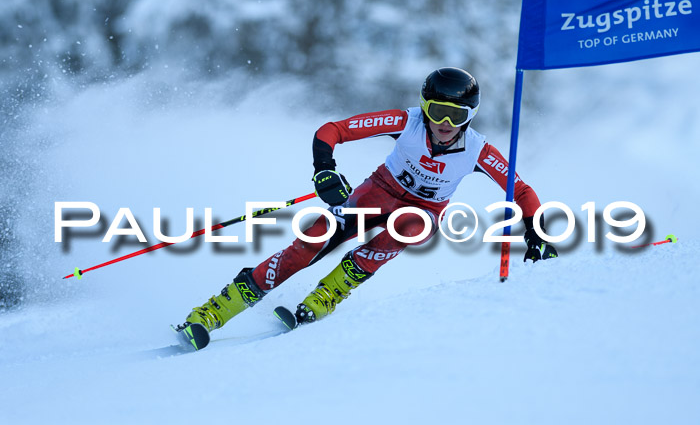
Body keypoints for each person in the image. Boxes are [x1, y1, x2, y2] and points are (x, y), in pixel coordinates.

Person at [179, 67, 558, 333]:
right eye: (437, 111)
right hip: (376, 194)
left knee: (410, 226)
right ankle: (215, 310)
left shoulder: (477, 150)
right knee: (310, 243)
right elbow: (332, 130)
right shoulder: (404, 122)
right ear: (424, 107)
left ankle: (330, 293)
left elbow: (521, 190)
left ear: (470, 116)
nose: (445, 124)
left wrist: (536, 233)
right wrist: (324, 170)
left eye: (456, 114)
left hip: (421, 212)